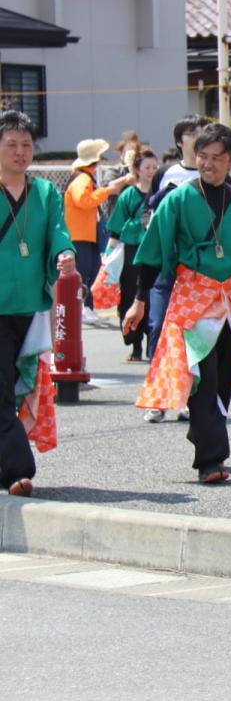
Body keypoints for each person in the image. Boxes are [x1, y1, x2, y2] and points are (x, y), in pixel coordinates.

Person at [124, 124, 231, 483]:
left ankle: (204, 433)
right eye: (203, 156)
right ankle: (211, 459)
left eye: (217, 158)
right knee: (202, 377)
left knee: (223, 376)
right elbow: (153, 252)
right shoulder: (177, 199)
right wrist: (139, 300)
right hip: (193, 297)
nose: (208, 164)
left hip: (229, 300)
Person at [0, 110, 74, 497]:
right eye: (11, 144)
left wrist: (64, 254)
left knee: (17, 387)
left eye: (26, 144)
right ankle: (17, 469)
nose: (20, 151)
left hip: (29, 307)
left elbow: (58, 232)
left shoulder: (45, 193)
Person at [141, 115, 206, 423]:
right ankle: (159, 398)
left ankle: (188, 397)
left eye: (203, 131)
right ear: (180, 141)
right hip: (166, 265)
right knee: (157, 326)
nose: (199, 136)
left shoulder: (214, 172)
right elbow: (148, 214)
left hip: (197, 268)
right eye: (192, 133)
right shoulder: (166, 173)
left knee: (191, 335)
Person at [64, 138, 134, 323]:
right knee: (85, 271)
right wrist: (106, 192)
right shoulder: (83, 178)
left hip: (84, 233)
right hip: (80, 234)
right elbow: (83, 200)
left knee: (91, 271)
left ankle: (86, 307)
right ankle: (82, 308)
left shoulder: (82, 176)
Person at [101, 146, 157, 361]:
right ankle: (135, 346)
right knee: (128, 299)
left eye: (154, 166)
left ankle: (153, 345)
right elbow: (115, 228)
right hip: (132, 252)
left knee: (153, 299)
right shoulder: (128, 196)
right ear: (137, 169)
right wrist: (109, 257)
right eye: (147, 167)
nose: (151, 171)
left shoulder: (161, 194)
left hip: (154, 251)